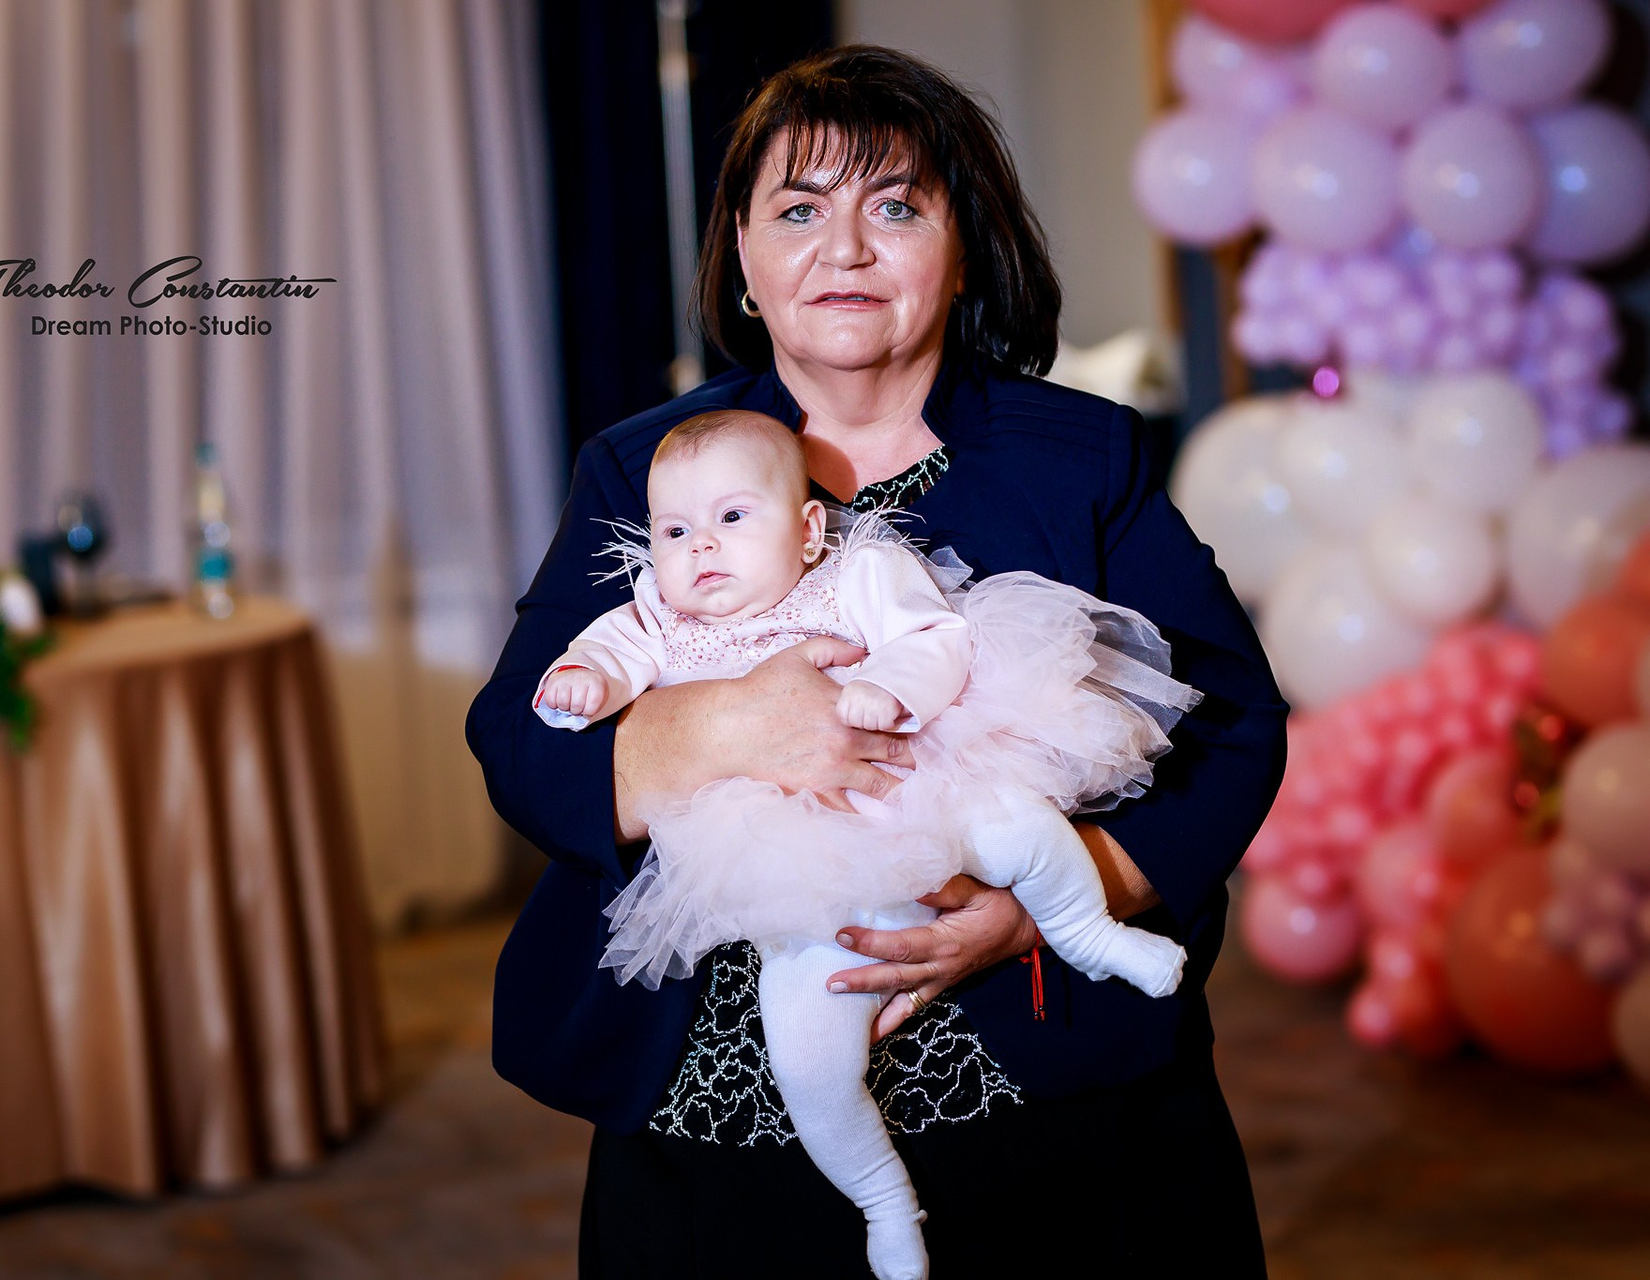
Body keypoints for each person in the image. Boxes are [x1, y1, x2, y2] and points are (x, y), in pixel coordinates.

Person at [467, 45, 1287, 1277]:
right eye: (798, 211)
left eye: (895, 207)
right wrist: (725, 724)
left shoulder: (1078, 457)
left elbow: (1232, 723)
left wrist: (1051, 902)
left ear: (963, 252)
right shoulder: (641, 466)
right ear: (744, 258)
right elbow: (521, 743)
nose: (843, 249)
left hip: (1054, 1100)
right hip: (717, 1117)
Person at [533, 407, 1201, 1279]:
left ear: (809, 529)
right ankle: (885, 1204)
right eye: (675, 531)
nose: (702, 547)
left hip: (914, 793)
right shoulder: (657, 616)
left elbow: (935, 636)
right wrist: (580, 681)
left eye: (731, 518)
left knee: (1020, 828)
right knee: (807, 1059)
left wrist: (892, 685)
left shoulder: (855, 572)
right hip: (799, 877)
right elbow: (593, 664)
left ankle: (1086, 929)